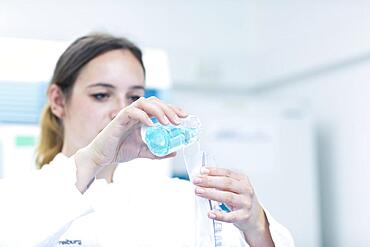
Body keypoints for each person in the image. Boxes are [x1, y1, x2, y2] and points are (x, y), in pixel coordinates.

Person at [0, 33, 294, 247]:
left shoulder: (176, 199)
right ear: (58, 101)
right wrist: (95, 157)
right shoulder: (21, 197)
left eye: (134, 97)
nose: (122, 111)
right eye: (101, 95)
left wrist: (256, 225)